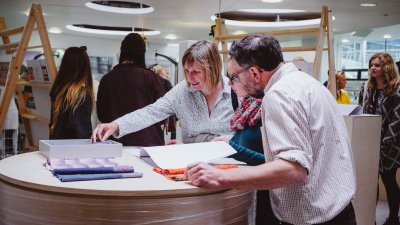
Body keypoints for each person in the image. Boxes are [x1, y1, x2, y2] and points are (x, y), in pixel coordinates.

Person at [186, 34, 357, 225]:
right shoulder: (310, 84)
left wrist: (222, 176)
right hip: (340, 211)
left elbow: (293, 169)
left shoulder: (278, 95)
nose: (229, 84)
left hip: (315, 218)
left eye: (233, 77)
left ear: (254, 73)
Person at [92, 40, 234, 145]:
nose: (190, 78)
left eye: (196, 72)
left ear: (213, 69)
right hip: (196, 169)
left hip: (232, 169)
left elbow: (250, 137)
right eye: (186, 71)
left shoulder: (235, 91)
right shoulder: (182, 91)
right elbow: (151, 112)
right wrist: (116, 125)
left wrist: (229, 141)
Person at [96, 33, 165, 147]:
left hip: (115, 143)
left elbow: (102, 115)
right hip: (148, 143)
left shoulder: (106, 79)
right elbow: (161, 114)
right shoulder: (151, 77)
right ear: (142, 53)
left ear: (122, 51)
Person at [358, 52, 400, 225]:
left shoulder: (396, 90)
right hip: (369, 142)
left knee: (389, 180)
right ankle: (370, 218)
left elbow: (397, 121)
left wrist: (386, 143)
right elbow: (361, 111)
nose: (373, 68)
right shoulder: (367, 87)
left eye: (377, 65)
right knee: (369, 181)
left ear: (387, 67)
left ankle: (393, 218)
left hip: (390, 145)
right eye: (371, 65)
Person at [49, 46, 95, 139]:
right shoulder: (81, 95)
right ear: (84, 67)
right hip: (73, 150)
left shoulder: (59, 90)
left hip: (57, 147)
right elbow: (82, 133)